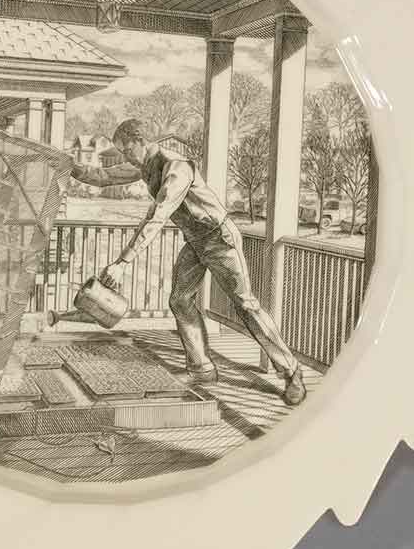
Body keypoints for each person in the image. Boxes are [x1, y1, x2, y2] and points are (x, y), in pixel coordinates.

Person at [70, 118, 306, 406]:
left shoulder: (177, 167)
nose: (125, 157)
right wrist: (64, 165)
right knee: (180, 300)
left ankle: (291, 371)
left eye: (127, 150)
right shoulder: (144, 166)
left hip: (219, 239)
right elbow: (101, 176)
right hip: (195, 241)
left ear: (141, 141)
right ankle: (201, 368)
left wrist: (122, 262)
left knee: (245, 305)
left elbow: (158, 215)